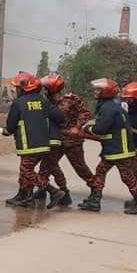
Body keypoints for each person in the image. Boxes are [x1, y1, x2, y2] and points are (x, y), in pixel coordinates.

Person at [78, 77, 137, 215]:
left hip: (119, 150)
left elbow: (101, 128)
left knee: (127, 177)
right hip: (114, 148)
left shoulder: (108, 108)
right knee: (101, 171)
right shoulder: (111, 106)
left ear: (106, 92)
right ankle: (95, 200)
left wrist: (88, 128)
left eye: (98, 90)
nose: (95, 92)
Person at [2, 71, 65, 208]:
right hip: (43, 145)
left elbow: (11, 126)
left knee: (27, 171)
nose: (16, 90)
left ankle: (53, 191)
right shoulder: (43, 101)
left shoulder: (18, 103)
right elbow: (60, 117)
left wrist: (6, 131)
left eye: (17, 88)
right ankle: (25, 196)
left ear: (24, 88)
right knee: (24, 170)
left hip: (28, 145)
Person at [37, 72, 94, 207]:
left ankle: (95, 191)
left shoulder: (71, 99)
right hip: (56, 140)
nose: (44, 90)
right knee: (46, 167)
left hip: (72, 142)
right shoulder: (45, 101)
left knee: (81, 168)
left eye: (46, 88)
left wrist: (77, 127)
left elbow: (85, 113)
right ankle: (53, 192)